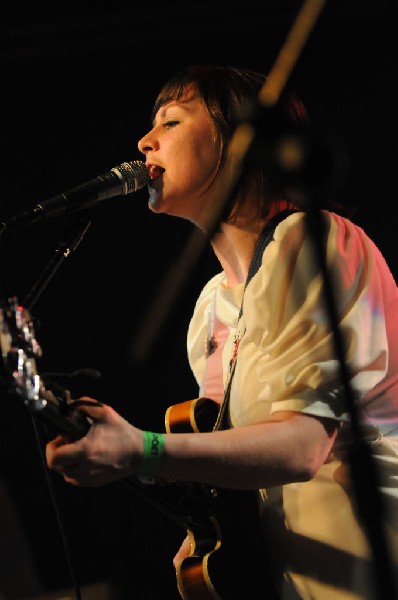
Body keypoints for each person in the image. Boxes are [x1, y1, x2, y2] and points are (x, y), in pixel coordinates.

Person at [45, 65, 398, 599]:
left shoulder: (313, 240)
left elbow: (303, 446)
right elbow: (226, 458)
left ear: (236, 139)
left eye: (171, 122)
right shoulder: (213, 306)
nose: (144, 141)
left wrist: (143, 449)